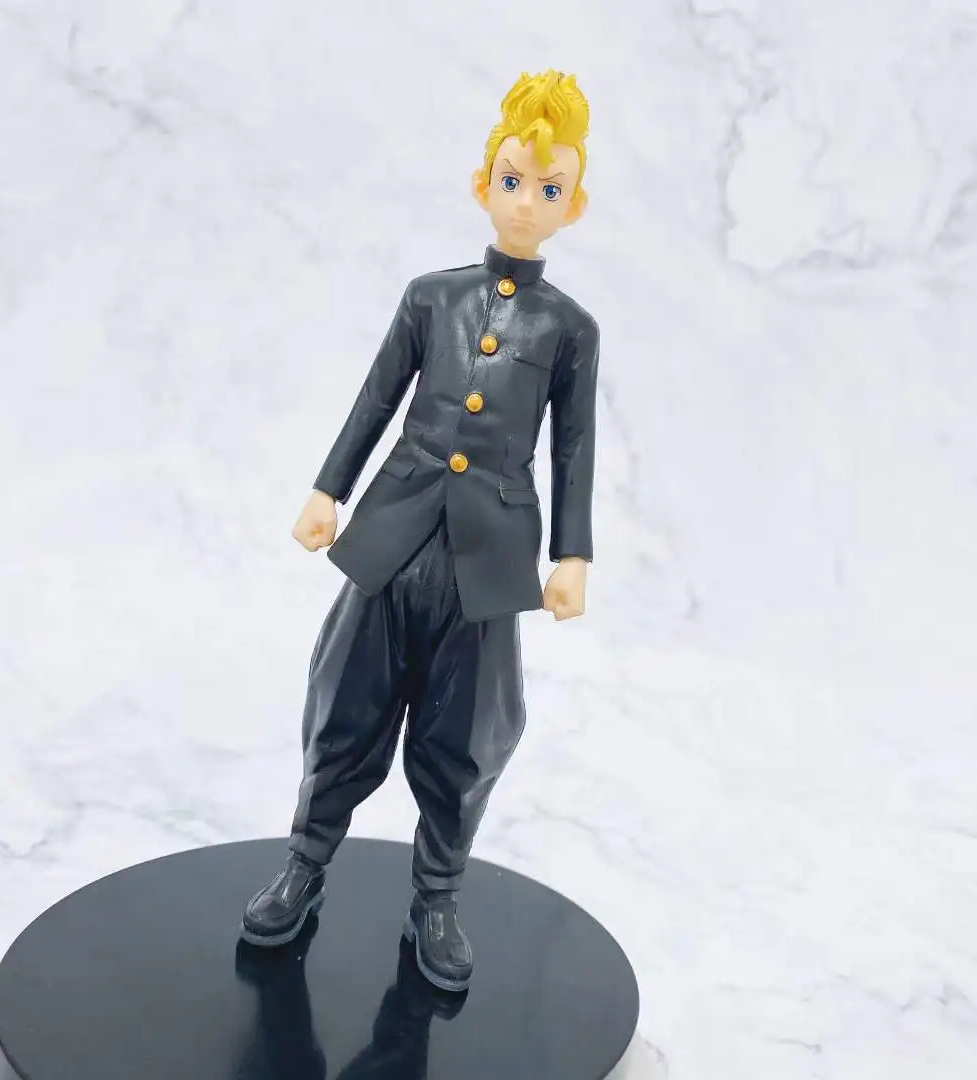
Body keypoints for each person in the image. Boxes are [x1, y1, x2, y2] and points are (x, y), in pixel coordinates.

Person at [239, 69, 599, 993]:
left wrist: (571, 555)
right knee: (345, 704)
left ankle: (436, 899)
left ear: (573, 205)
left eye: (548, 187)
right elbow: (375, 400)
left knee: (466, 736)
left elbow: (574, 446)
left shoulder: (570, 329)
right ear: (484, 183)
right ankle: (304, 866)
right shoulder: (430, 298)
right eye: (513, 179)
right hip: (393, 537)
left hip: (487, 564)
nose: (526, 201)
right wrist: (327, 490)